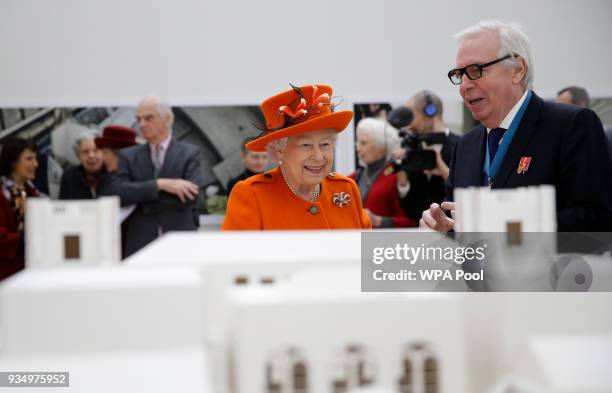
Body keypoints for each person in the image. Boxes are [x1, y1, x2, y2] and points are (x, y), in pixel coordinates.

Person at [421, 20, 612, 232]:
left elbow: (596, 220)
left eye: (476, 70)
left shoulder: (571, 126)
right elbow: (456, 224)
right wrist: (440, 229)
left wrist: (502, 224)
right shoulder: (466, 146)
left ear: (517, 70)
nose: (465, 85)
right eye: (459, 75)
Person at [222, 84, 371, 230]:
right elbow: (232, 254)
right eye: (305, 145)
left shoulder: (346, 189)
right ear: (279, 150)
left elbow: (368, 252)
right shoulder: (252, 195)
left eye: (325, 144)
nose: (319, 157)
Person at [110, 96, 204, 257]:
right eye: (138, 119)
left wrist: (140, 199)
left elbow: (191, 196)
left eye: (148, 118)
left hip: (180, 239)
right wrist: (160, 184)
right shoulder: (128, 156)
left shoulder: (190, 153)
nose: (141, 124)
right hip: (140, 240)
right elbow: (119, 193)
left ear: (167, 119)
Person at [399, 90, 460, 221]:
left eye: (410, 116)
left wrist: (444, 171)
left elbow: (466, 191)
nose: (408, 124)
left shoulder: (462, 145)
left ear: (430, 111)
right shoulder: (411, 147)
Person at [351, 117, 415, 228]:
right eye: (358, 142)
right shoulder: (354, 177)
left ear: (381, 146)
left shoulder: (397, 175)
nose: (358, 148)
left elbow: (412, 223)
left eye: (363, 143)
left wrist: (380, 221)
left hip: (386, 243)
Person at [94, 124, 138, 259]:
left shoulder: (139, 181)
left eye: (106, 152)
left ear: (121, 154)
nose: (103, 158)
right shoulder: (106, 182)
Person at [0, 137, 39, 280]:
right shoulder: (2, 194)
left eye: (35, 159)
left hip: (30, 272)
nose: (36, 164)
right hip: (7, 277)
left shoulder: (31, 191)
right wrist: (22, 240)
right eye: (29, 159)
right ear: (13, 162)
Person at [59, 129, 108, 199]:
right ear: (79, 156)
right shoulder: (69, 177)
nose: (91, 155)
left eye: (96, 150)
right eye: (85, 152)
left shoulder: (114, 174)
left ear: (103, 153)